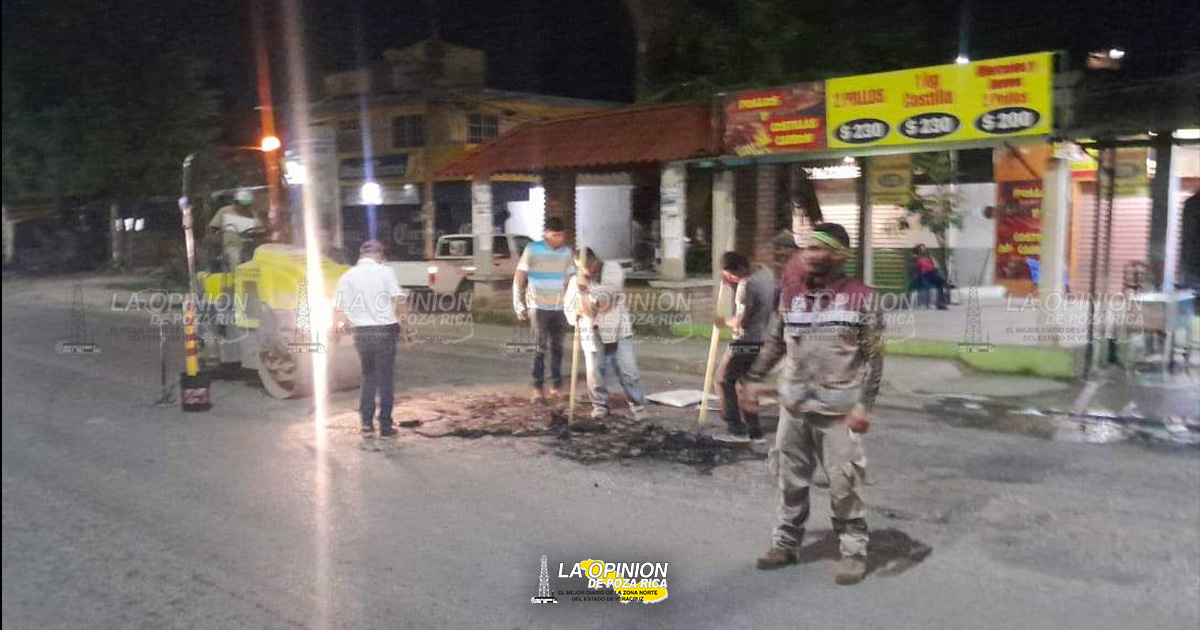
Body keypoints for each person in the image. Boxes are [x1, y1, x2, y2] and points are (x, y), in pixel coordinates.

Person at [744, 222, 884, 586]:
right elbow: (776, 342)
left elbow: (874, 358)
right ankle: (785, 544)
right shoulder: (790, 295)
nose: (808, 255)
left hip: (838, 412)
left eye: (818, 249)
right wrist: (755, 378)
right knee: (789, 481)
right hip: (794, 407)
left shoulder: (863, 297)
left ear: (840, 255)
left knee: (843, 485)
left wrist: (864, 405)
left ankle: (853, 551)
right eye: (806, 248)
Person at [564, 247, 648, 421]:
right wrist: (576, 309)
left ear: (594, 261)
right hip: (591, 333)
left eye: (587, 266)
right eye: (581, 268)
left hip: (617, 330)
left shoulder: (611, 269)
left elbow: (607, 298)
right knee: (595, 372)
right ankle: (599, 405)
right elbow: (571, 311)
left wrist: (586, 293)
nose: (586, 271)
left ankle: (637, 405)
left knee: (627, 369)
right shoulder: (576, 280)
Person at [333, 240, 407, 437]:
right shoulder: (385, 272)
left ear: (361, 255)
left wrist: (335, 333)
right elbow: (398, 300)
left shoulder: (347, 276)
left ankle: (366, 423)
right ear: (380, 254)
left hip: (363, 333)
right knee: (385, 379)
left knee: (368, 376)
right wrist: (409, 329)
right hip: (385, 331)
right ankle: (385, 426)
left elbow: (338, 310)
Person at [713, 251, 776, 443]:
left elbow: (742, 321)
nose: (730, 278)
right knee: (745, 384)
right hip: (764, 338)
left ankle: (736, 429)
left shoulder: (746, 285)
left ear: (738, 269)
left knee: (723, 379)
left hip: (745, 341)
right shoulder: (765, 273)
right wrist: (732, 283)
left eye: (731, 274)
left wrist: (723, 322)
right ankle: (755, 432)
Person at [513, 217, 575, 403]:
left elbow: (571, 277)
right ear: (546, 233)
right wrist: (518, 303)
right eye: (555, 235)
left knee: (557, 348)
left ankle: (556, 386)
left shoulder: (566, 252)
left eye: (561, 235)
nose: (559, 239)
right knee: (539, 348)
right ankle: (537, 388)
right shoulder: (533, 250)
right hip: (538, 307)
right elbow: (520, 276)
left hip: (560, 307)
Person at [208, 190, 263, 270]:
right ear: (236, 203)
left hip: (250, 246)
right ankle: (236, 278)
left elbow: (261, 230)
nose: (243, 208)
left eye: (246, 205)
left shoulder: (253, 214)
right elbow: (212, 228)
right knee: (235, 258)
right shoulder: (225, 211)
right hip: (231, 246)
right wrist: (213, 238)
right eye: (241, 205)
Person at [912, 244, 948, 310]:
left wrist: (932, 259)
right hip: (925, 275)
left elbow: (936, 266)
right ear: (918, 250)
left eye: (924, 248)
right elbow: (916, 269)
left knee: (940, 284)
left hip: (932, 273)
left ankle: (941, 303)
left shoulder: (929, 257)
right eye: (922, 248)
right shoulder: (916, 258)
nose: (923, 249)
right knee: (940, 281)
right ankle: (941, 303)